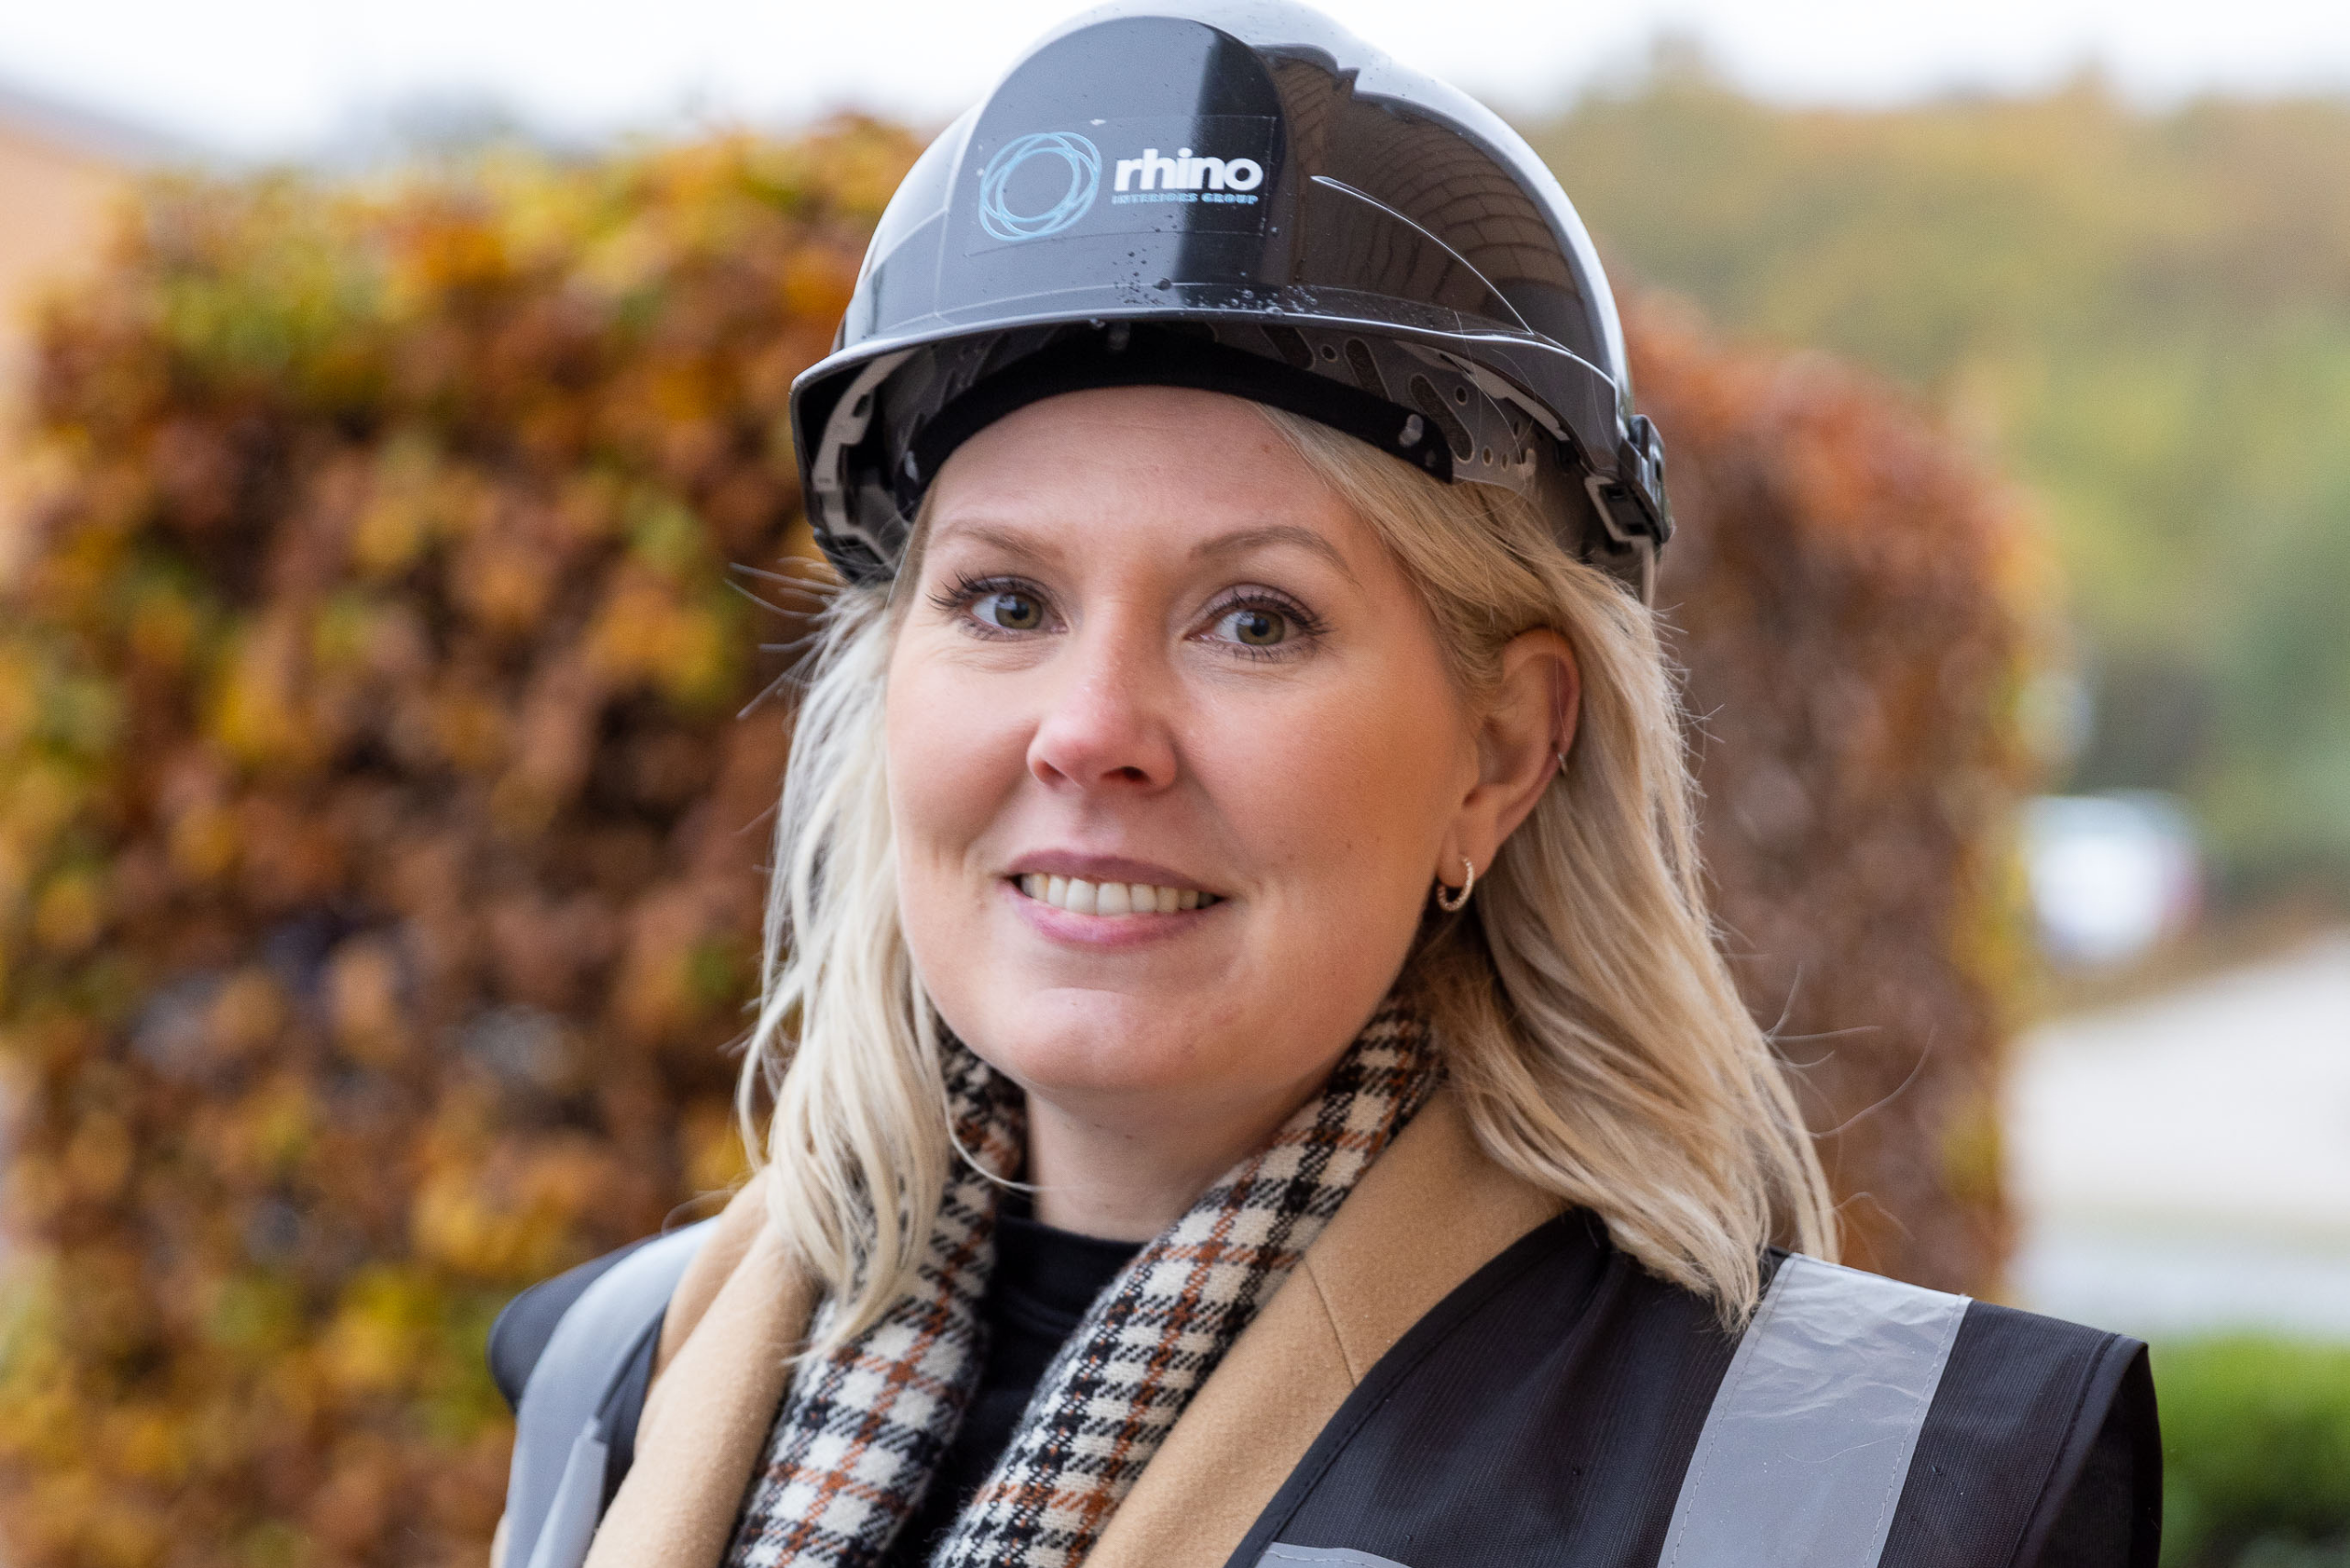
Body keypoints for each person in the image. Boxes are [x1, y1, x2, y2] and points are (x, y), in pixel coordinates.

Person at [487, 5, 2161, 1567]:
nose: (1091, 730)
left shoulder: (1878, 1488)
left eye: (1255, 620)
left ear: (1502, 754)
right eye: (1004, 602)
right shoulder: (619, 1380)